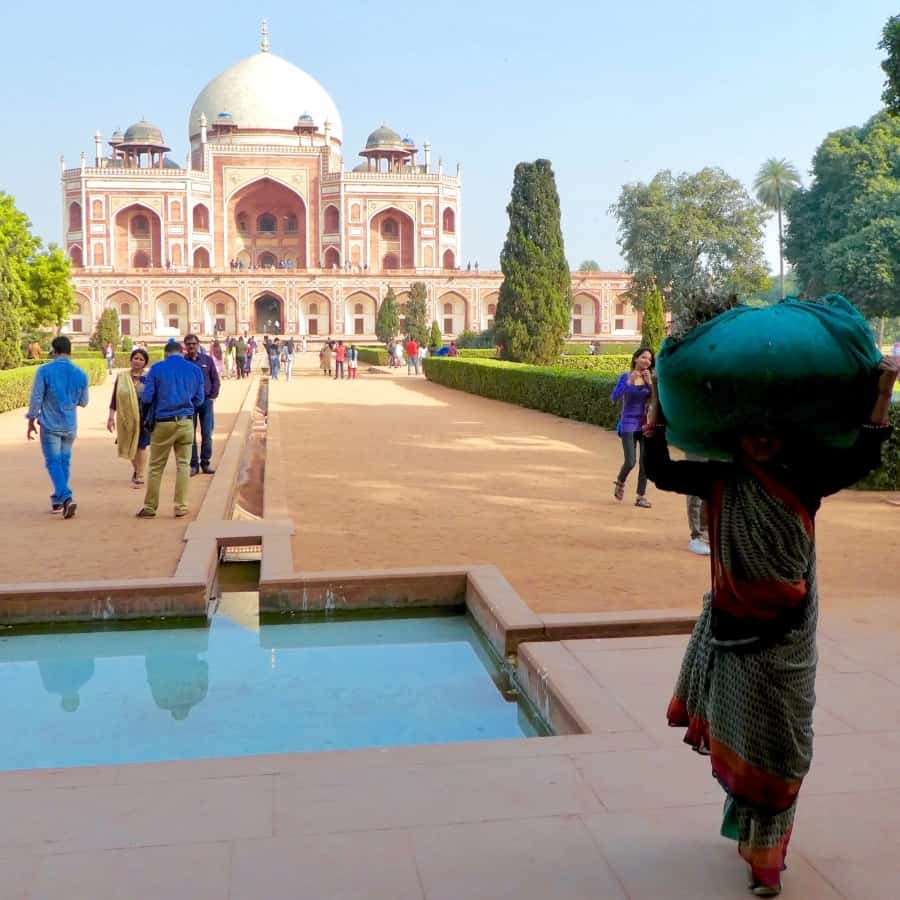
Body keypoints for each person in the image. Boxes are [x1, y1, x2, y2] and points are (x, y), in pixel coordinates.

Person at [643, 356, 898, 897]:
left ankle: (768, 843)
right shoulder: (720, 477)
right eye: (750, 430)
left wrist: (885, 388)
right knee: (745, 737)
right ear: (736, 434)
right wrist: (659, 401)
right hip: (735, 637)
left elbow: (865, 454)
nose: (760, 439)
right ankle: (763, 855)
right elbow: (662, 471)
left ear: (785, 435)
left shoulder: (805, 479)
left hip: (788, 642)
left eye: (770, 430)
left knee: (784, 744)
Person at [136, 341, 205, 518]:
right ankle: (180, 507)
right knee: (183, 465)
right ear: (182, 352)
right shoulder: (194, 370)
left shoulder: (157, 369)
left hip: (163, 422)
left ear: (165, 353)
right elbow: (199, 400)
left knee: (156, 466)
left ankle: (150, 507)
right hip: (185, 422)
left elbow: (147, 397)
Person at [26, 335, 89, 519]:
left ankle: (66, 497)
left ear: (54, 350)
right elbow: (84, 401)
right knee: (63, 462)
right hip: (69, 423)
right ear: (70, 350)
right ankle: (57, 499)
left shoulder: (44, 371)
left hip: (50, 423)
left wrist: (31, 419)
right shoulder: (80, 373)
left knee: (53, 462)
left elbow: (36, 398)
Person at [611, 347, 654, 508]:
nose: (646, 361)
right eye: (644, 357)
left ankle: (640, 496)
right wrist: (629, 381)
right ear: (635, 359)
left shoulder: (650, 379)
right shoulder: (625, 376)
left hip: (644, 423)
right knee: (630, 461)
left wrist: (650, 384)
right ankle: (620, 481)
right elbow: (614, 397)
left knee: (645, 462)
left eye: (649, 360)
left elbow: (657, 399)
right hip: (628, 423)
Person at [107, 347, 151, 487]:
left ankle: (141, 474)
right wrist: (110, 417)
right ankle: (137, 470)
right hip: (126, 417)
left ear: (145, 363)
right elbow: (115, 398)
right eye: (135, 358)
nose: (137, 361)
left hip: (144, 416)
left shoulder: (149, 378)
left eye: (141, 359)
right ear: (131, 360)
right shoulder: (122, 377)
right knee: (129, 445)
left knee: (141, 446)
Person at [183, 334, 219, 477]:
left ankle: (205, 462)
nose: (191, 346)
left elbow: (215, 379)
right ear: (185, 346)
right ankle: (193, 465)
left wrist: (212, 395)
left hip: (205, 402)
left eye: (193, 343)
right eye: (188, 344)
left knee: (207, 433)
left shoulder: (207, 360)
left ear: (198, 344)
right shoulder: (183, 362)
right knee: (190, 435)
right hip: (189, 403)